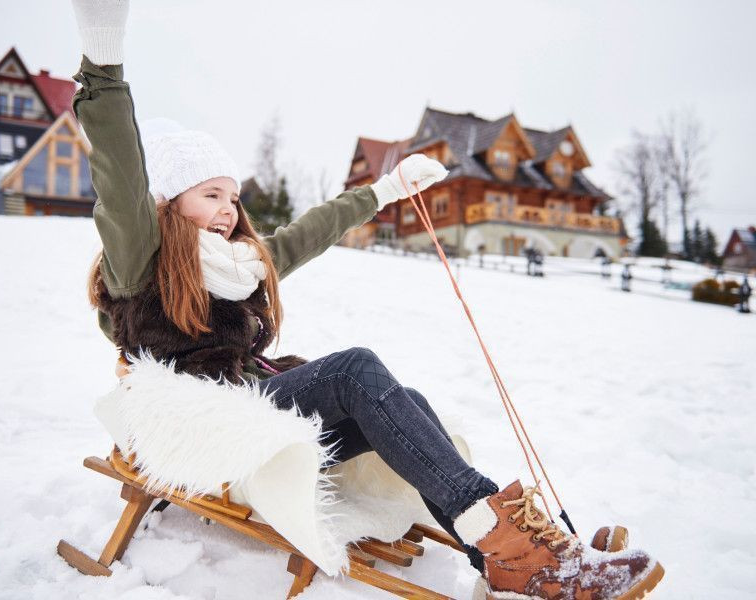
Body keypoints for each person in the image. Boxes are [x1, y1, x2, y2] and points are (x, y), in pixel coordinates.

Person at [70, 1, 664, 597]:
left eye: (234, 197)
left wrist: (384, 189)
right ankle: (509, 542)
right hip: (212, 429)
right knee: (355, 369)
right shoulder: (139, 258)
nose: (228, 210)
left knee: (409, 401)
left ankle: (510, 557)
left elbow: (309, 231)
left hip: (257, 415)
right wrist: (104, 59)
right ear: (169, 202)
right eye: (211, 195)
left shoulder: (241, 266)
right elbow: (118, 168)